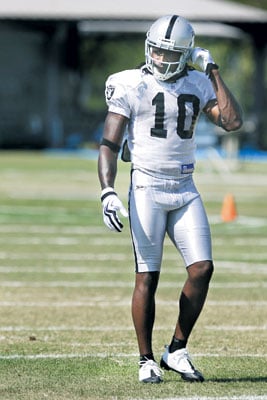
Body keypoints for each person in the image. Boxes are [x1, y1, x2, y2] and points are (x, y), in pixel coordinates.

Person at [98, 14, 243, 384]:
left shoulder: (197, 81)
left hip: (184, 187)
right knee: (147, 276)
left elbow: (231, 121)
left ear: (185, 55)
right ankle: (145, 358)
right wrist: (108, 190)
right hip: (146, 186)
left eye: (169, 53)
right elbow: (109, 144)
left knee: (203, 269)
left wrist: (212, 71)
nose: (160, 59)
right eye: (156, 51)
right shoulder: (129, 83)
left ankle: (176, 349)